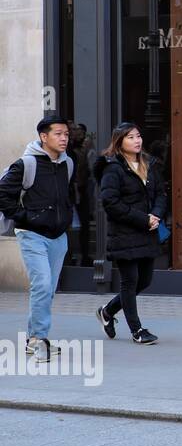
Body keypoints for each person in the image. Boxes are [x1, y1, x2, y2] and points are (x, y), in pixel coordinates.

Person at [0, 115, 75, 363]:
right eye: (58, 133)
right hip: (32, 235)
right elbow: (3, 196)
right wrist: (27, 217)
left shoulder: (68, 164)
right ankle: (37, 340)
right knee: (41, 285)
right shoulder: (26, 164)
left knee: (48, 289)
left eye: (66, 133)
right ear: (44, 136)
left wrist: (64, 220)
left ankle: (35, 336)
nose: (64, 138)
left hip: (58, 236)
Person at [92, 123, 166, 345]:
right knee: (130, 281)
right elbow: (111, 202)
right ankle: (137, 330)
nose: (137, 140)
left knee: (145, 280)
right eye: (131, 137)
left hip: (147, 230)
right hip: (124, 232)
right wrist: (142, 219)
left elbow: (161, 193)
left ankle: (108, 311)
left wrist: (156, 215)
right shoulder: (112, 168)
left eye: (138, 136)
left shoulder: (148, 163)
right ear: (119, 141)